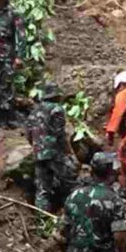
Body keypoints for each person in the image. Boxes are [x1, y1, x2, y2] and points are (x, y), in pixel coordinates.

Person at [26, 82, 77, 213]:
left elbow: (28, 133)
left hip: (38, 153)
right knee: (71, 179)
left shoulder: (34, 111)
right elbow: (59, 133)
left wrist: (37, 146)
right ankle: (73, 212)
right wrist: (69, 152)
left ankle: (42, 219)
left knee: (43, 189)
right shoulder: (56, 109)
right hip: (54, 152)